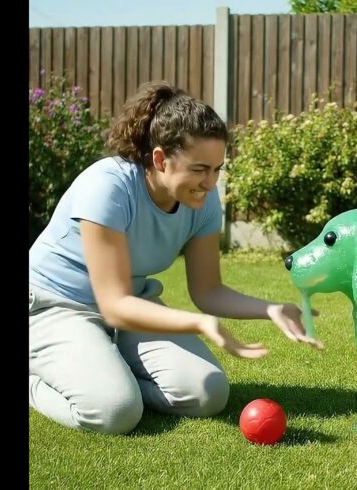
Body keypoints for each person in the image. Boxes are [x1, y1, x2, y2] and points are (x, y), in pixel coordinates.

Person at [29, 81, 323, 435]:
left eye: (217, 169)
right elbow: (112, 305)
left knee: (207, 394)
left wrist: (271, 309)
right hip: (54, 306)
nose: (209, 182)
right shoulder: (108, 187)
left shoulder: (203, 204)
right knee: (115, 411)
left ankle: (105, 368)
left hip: (132, 307)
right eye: (200, 169)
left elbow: (208, 291)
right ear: (160, 159)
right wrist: (199, 323)